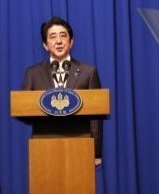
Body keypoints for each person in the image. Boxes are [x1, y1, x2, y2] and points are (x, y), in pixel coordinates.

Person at [22, 16, 103, 165]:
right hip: (43, 147)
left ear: (71, 42)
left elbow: (96, 118)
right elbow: (23, 111)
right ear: (45, 45)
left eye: (63, 36)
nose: (58, 41)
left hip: (80, 146)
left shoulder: (88, 72)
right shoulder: (32, 73)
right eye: (52, 37)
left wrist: (96, 151)